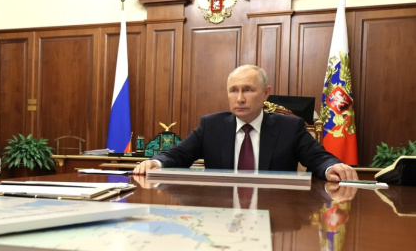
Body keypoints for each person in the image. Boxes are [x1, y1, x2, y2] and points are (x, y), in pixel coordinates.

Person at [133, 65, 358, 182]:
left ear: (266, 93)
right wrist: (156, 162)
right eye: (233, 90)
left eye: (248, 90)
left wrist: (332, 167)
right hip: (222, 214)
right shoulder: (211, 125)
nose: (239, 98)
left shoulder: (290, 127)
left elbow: (319, 158)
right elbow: (178, 155)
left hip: (275, 212)